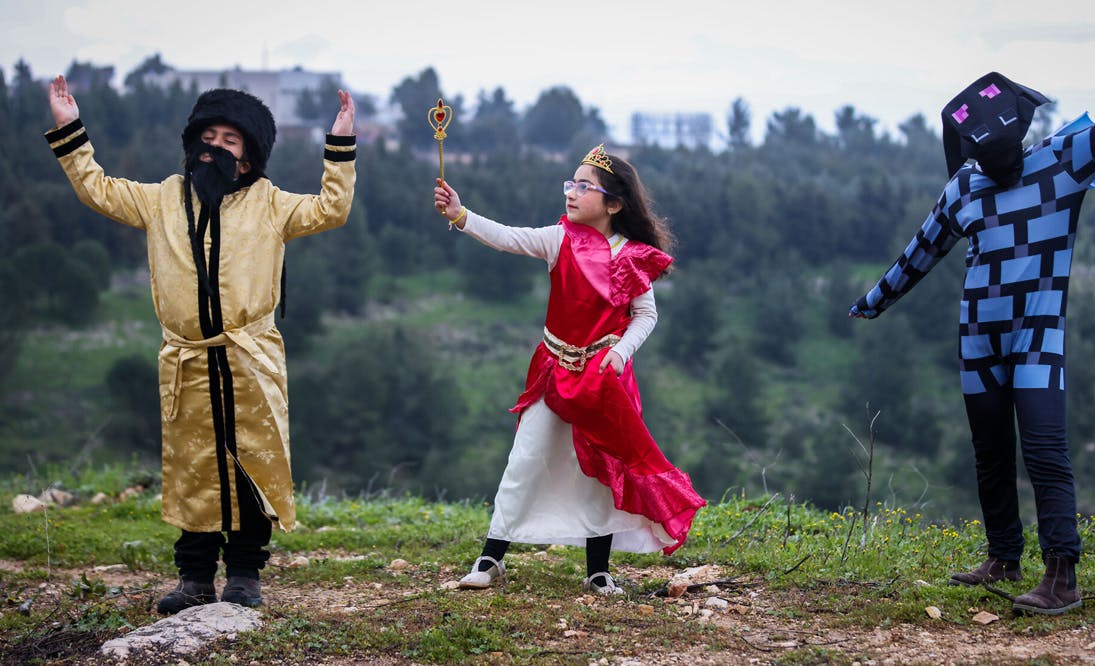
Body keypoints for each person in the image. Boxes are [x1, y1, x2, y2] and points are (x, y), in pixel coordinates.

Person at [849, 46, 1095, 615]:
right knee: (991, 451)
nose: (996, 165)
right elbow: (922, 251)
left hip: (1037, 337)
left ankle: (1062, 576)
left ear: (1021, 137)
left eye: (1002, 154)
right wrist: (874, 301)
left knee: (1046, 451)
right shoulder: (963, 188)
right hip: (977, 336)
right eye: (985, 156)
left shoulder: (1065, 161)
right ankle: (1003, 557)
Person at [45, 76, 357, 613]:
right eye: (207, 137)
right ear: (193, 145)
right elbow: (96, 187)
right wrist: (70, 127)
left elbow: (332, 208)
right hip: (187, 361)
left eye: (230, 141)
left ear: (248, 157)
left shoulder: (271, 204)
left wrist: (341, 143)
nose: (215, 148)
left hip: (250, 359)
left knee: (249, 468)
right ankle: (193, 579)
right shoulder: (160, 199)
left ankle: (244, 577)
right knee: (194, 470)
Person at [433, 144, 706, 595]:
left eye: (584, 187)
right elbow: (507, 236)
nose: (572, 193)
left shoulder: (632, 256)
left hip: (602, 379)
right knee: (524, 460)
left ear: (614, 204)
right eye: (570, 184)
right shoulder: (560, 239)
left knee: (598, 471)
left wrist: (619, 353)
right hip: (553, 370)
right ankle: (490, 560)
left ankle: (598, 571)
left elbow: (645, 315)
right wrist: (462, 215)